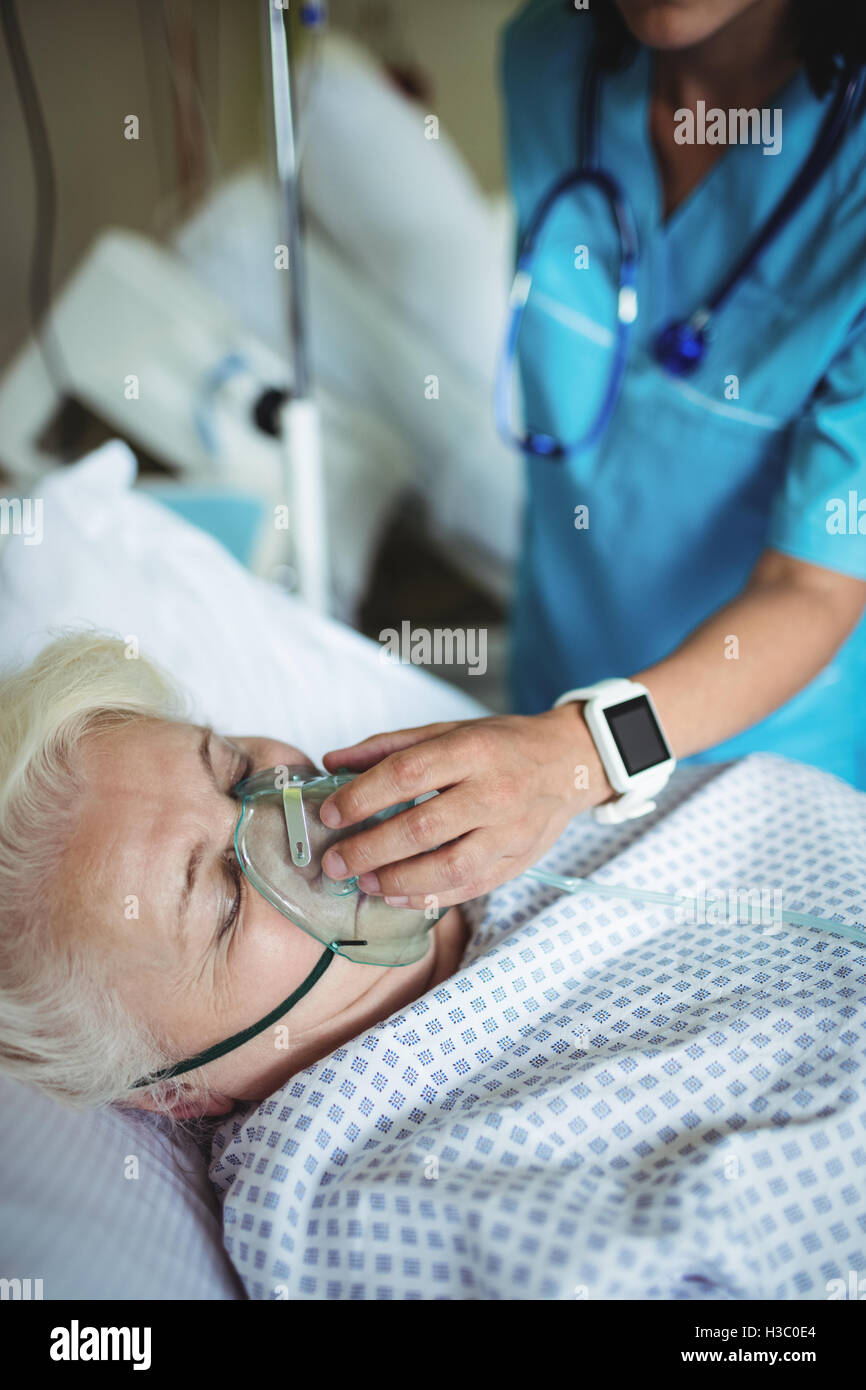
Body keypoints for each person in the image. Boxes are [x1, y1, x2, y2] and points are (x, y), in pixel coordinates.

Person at [308, 0, 866, 914]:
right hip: (546, 696)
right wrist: (550, 748)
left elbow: (816, 586)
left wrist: (582, 754)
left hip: (759, 770)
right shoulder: (547, 59)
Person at [0, 633, 468, 1116]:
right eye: (229, 899)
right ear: (172, 1090)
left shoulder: (503, 782)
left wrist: (553, 745)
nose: (290, 821)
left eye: (236, 770)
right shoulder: (335, 1175)